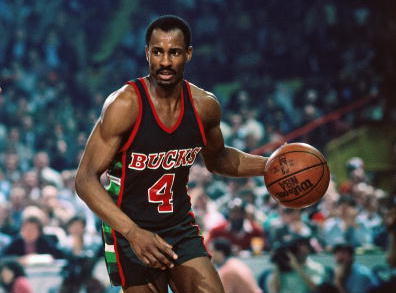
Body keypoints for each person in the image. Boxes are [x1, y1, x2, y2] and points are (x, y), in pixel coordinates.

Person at [75, 15, 268, 293]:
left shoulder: (204, 106)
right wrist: (132, 233)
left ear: (188, 54)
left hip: (178, 225)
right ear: (147, 53)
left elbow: (219, 158)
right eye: (158, 52)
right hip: (130, 227)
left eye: (174, 52)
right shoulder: (124, 104)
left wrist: (271, 164)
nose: (165, 62)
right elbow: (85, 179)